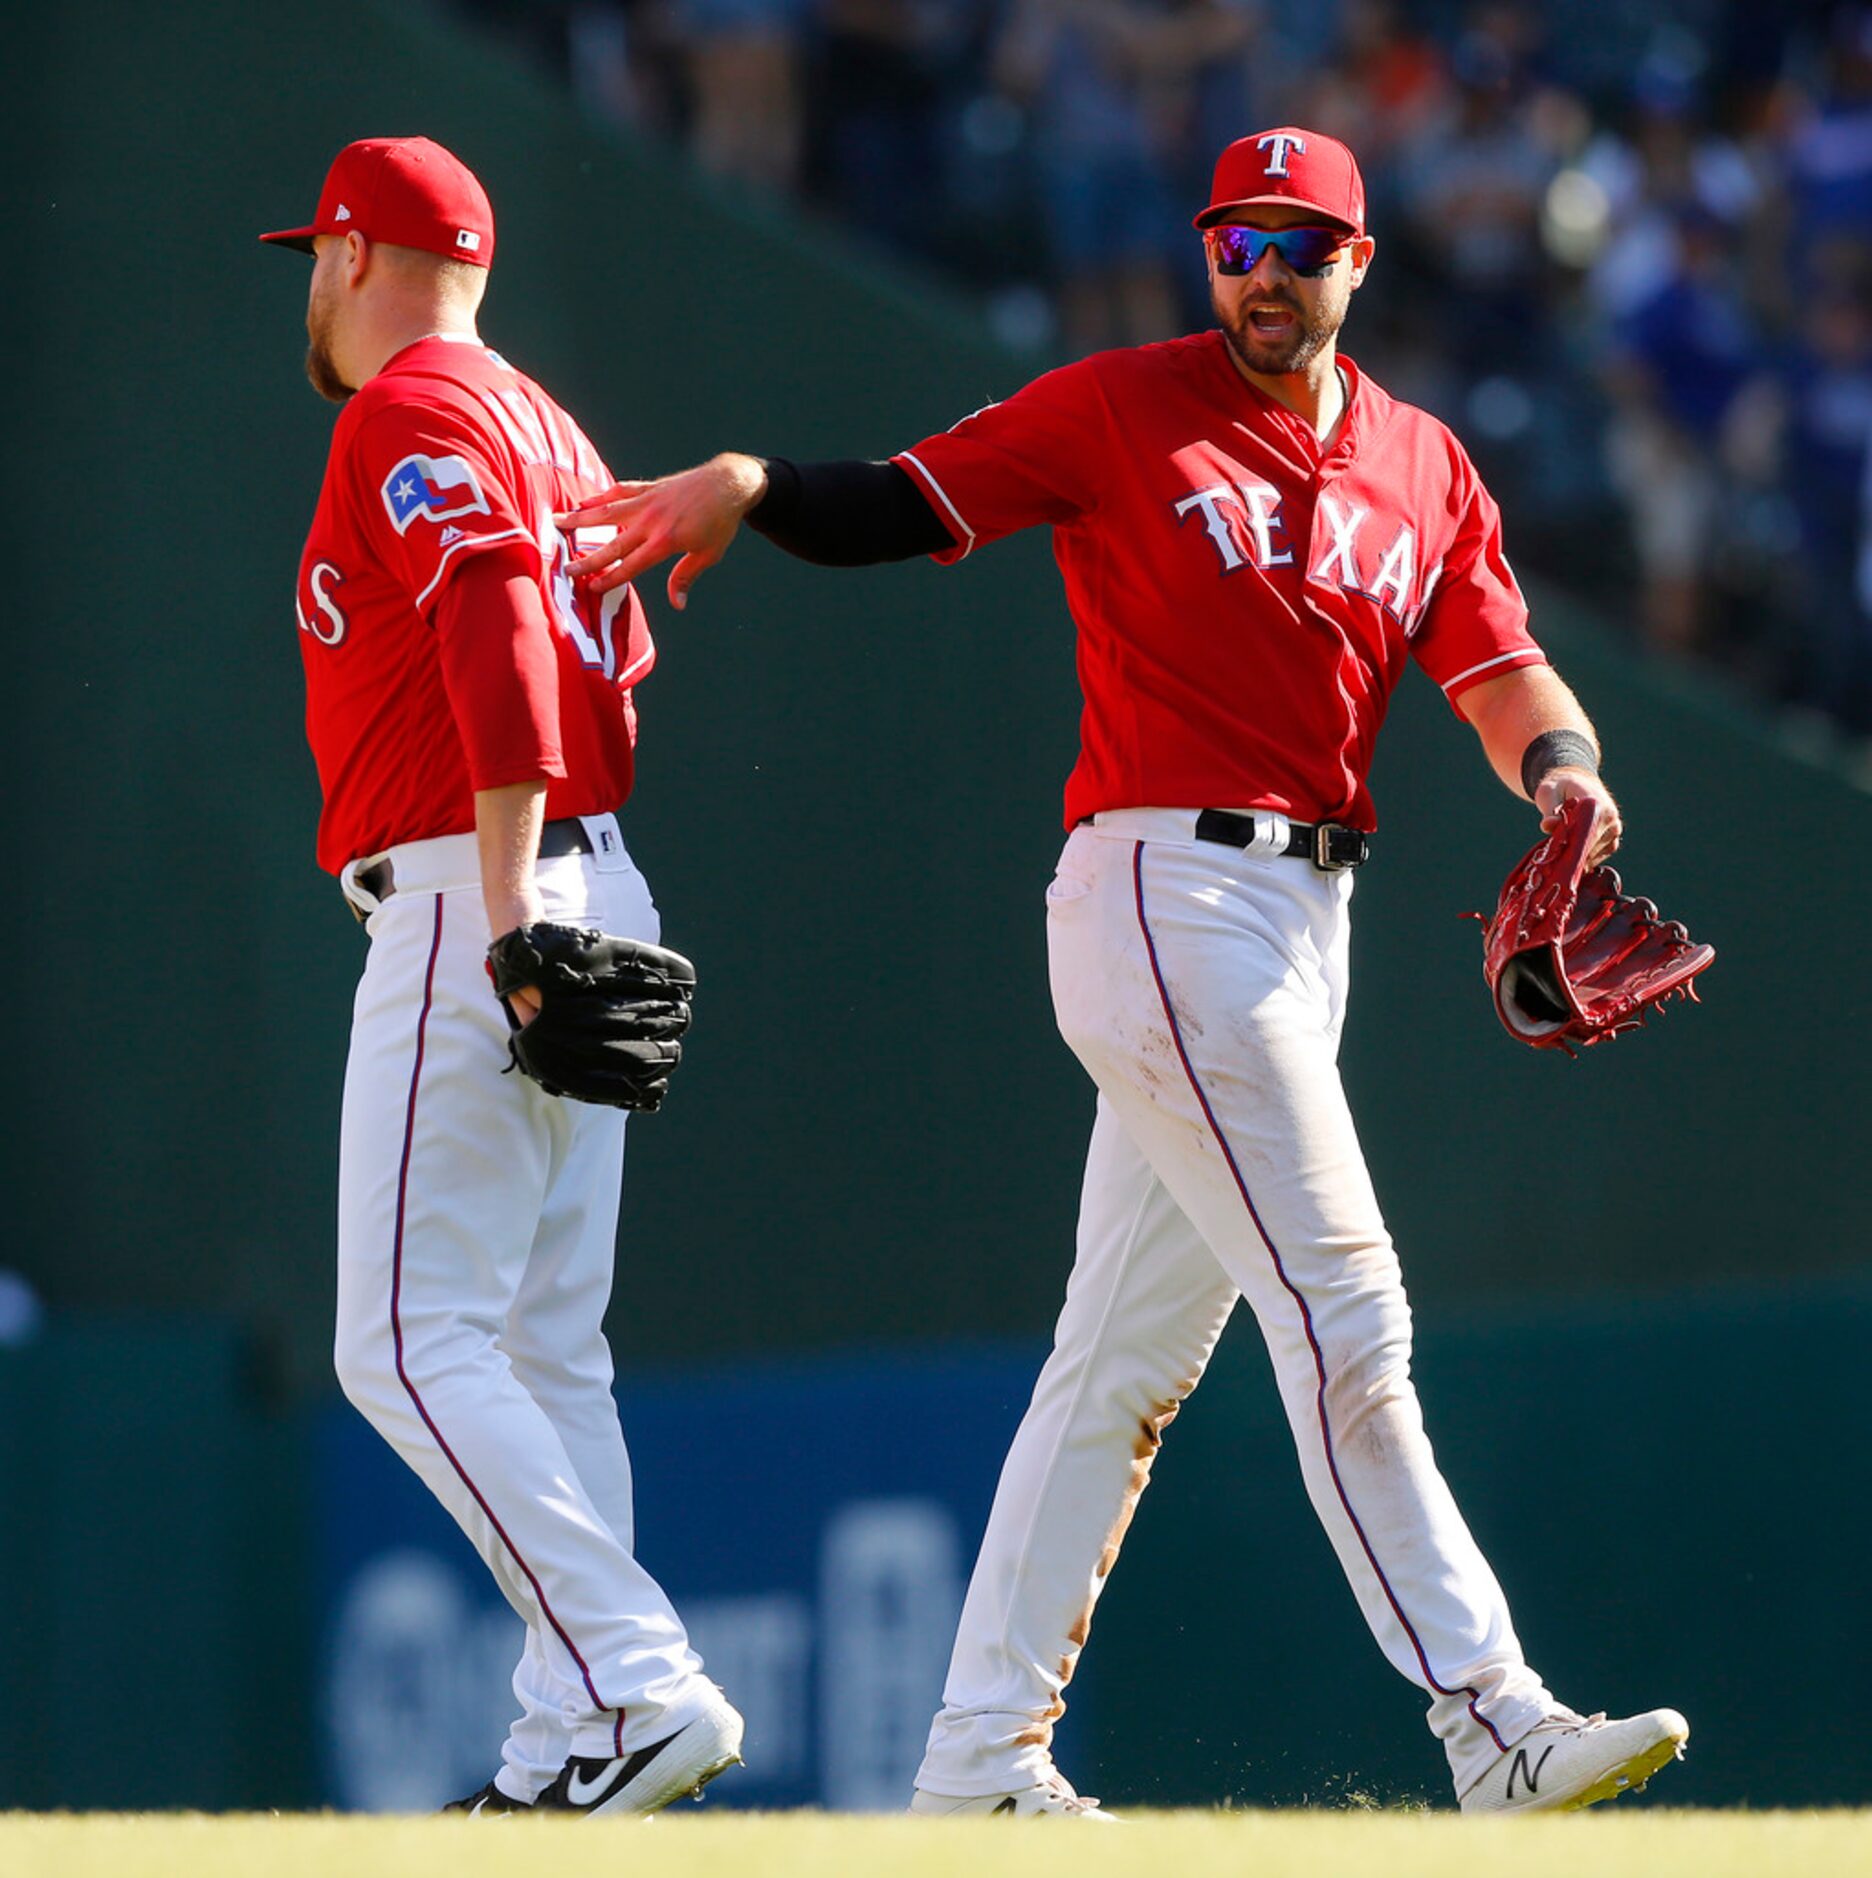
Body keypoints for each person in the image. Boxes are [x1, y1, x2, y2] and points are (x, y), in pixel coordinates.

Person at [559, 126, 1689, 1818]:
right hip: (1163, 891)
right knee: (1347, 1311)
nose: (1261, 270)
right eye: (1237, 238)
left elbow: (1505, 672)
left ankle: (976, 1754)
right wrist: (758, 483)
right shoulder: (1120, 407)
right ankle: (1494, 1720)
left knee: (1119, 1369)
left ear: (1355, 265)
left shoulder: (1426, 464)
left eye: (1300, 243)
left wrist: (1567, 776)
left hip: (1311, 922)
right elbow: (911, 500)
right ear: (1207, 249)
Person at [262, 135, 743, 1817]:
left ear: (345, 255)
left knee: (398, 1341)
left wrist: (509, 899)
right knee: (547, 1351)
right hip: (582, 859)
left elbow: (496, 621)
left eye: (310, 257)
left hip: (481, 881)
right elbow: (613, 641)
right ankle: (569, 1740)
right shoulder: (549, 419)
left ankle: (634, 1679)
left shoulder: (403, 410)